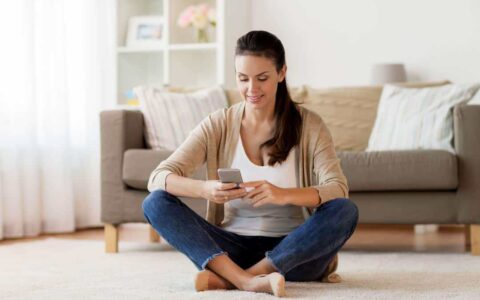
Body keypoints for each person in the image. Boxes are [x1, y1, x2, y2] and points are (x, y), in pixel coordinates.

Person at [142, 30, 358, 297]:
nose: (251, 89)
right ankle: (245, 280)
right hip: (231, 250)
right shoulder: (218, 124)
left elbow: (337, 188)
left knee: (345, 210)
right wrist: (205, 189)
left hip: (295, 253)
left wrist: (282, 195)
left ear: (281, 73)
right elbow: (158, 178)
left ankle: (233, 280)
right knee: (155, 202)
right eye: (243, 79)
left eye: (262, 78)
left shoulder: (310, 125)